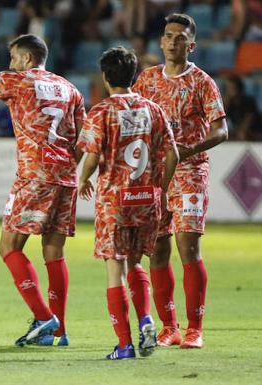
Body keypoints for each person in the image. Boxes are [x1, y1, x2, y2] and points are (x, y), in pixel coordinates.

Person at [0, 34, 84, 346]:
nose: (10, 64)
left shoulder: (17, 80)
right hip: (66, 176)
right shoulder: (70, 89)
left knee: (8, 247)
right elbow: (82, 141)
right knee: (54, 252)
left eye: (13, 58)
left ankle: (43, 316)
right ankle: (58, 332)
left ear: (26, 59)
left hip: (35, 174)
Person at [132, 13, 229, 349]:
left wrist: (191, 149)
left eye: (180, 37)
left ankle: (194, 328)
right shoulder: (146, 80)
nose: (173, 42)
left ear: (192, 44)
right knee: (157, 250)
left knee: (189, 247)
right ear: (161, 41)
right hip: (156, 175)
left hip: (190, 172)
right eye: (168, 36)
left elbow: (221, 130)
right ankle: (168, 326)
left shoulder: (202, 82)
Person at [76, 46, 179, 360]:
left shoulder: (102, 111)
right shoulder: (153, 109)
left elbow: (92, 155)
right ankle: (146, 319)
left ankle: (124, 345)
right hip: (146, 199)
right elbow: (173, 154)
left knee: (114, 270)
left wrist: (84, 178)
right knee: (135, 262)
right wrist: (160, 189)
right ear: (134, 76)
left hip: (115, 201)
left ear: (106, 77)